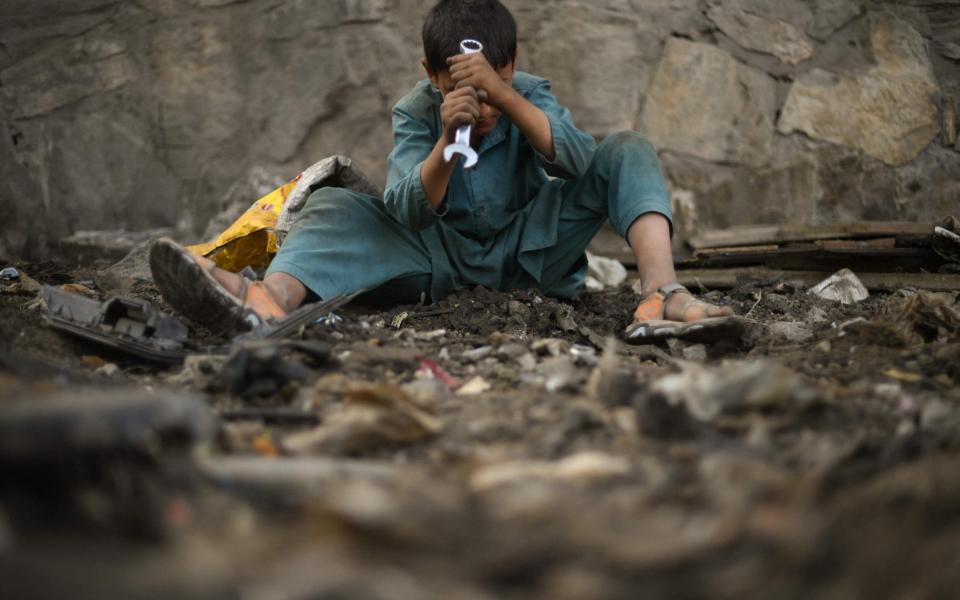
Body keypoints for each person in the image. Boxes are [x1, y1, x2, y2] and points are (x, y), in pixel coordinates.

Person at [150, 0, 737, 342]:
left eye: (495, 84)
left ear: (511, 65)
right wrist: (447, 140)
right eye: (462, 90)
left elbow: (581, 162)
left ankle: (661, 296)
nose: (481, 105)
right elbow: (405, 207)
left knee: (628, 147)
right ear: (431, 76)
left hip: (531, 252)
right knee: (332, 202)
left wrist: (508, 101)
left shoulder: (525, 94)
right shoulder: (415, 109)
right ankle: (271, 297)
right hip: (437, 259)